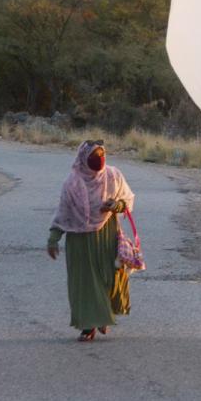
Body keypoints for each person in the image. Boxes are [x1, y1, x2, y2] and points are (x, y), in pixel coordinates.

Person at [47, 140, 135, 342]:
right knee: (86, 284)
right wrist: (53, 239)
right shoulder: (72, 183)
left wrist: (117, 205)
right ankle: (88, 326)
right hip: (80, 240)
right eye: (94, 156)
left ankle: (103, 316)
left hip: (108, 234)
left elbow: (127, 199)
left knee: (109, 278)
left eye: (102, 155)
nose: (100, 160)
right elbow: (63, 212)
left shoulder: (113, 176)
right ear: (84, 159)